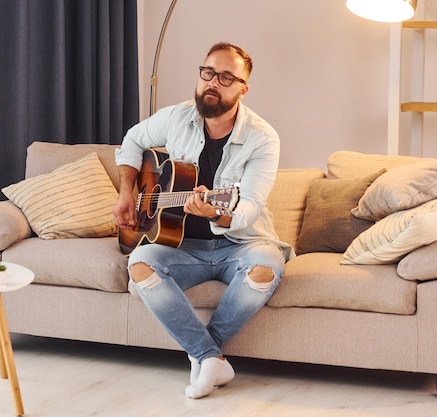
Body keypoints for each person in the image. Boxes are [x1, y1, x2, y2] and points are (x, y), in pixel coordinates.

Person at [112, 42, 293, 399]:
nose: (213, 82)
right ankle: (211, 358)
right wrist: (126, 192)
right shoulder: (177, 117)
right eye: (208, 73)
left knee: (267, 267)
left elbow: (251, 204)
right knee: (140, 264)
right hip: (182, 245)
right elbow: (132, 139)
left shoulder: (262, 137)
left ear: (243, 87)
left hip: (241, 243)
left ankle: (205, 354)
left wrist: (217, 211)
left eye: (226, 77)